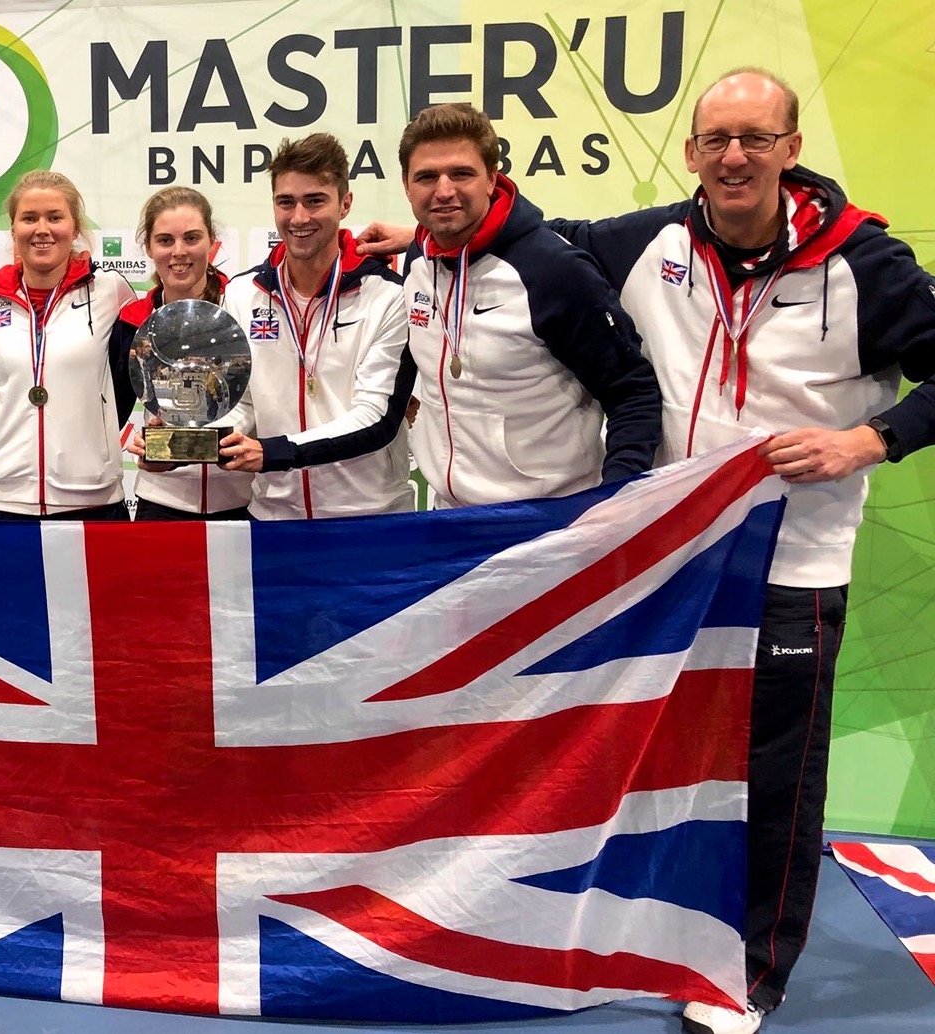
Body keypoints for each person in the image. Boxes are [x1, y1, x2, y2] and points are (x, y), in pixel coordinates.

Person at [361, 68, 935, 1034]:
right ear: (692, 152)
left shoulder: (864, 267)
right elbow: (538, 247)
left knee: (776, 770)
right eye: (716, 140)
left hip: (787, 566)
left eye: (755, 138)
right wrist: (409, 236)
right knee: (644, 758)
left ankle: (752, 971)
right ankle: (637, 929)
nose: (734, 158)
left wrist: (868, 440)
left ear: (791, 149)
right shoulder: (654, 242)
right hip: (665, 568)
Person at [394, 103, 660, 506]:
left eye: (462, 173)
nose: (444, 190)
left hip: (547, 520)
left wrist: (612, 500)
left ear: (491, 179)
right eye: (427, 177)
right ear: (407, 186)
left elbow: (632, 392)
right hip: (449, 516)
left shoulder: (552, 269)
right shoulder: (419, 259)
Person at [216, 133, 415, 519]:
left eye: (315, 201)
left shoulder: (389, 295)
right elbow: (242, 401)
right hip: (274, 517)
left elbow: (377, 417)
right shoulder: (244, 293)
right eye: (285, 202)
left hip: (368, 518)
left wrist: (276, 452)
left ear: (345, 203)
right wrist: (198, 436)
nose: (299, 218)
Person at [0, 170, 138, 519]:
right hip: (8, 498)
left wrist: (102, 434)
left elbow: (131, 377)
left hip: (92, 497)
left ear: (75, 227)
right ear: (13, 228)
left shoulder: (110, 290)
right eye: (29, 218)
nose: (42, 229)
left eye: (55, 217)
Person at [117, 187, 253, 519]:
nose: (179, 252)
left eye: (191, 238)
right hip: (161, 501)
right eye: (165, 240)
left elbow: (264, 403)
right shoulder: (130, 322)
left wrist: (193, 439)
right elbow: (111, 412)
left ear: (212, 242)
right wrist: (148, 442)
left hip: (239, 501)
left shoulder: (246, 307)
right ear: (148, 246)